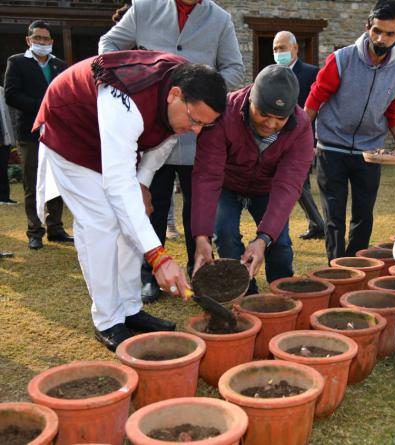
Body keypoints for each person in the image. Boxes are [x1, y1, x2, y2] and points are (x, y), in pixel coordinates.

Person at [33, 50, 227, 351]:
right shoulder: (127, 99)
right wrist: (158, 256)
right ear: (174, 95)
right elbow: (117, 184)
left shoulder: (182, 95)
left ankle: (129, 308)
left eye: (205, 125)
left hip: (116, 145)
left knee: (130, 218)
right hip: (71, 132)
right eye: (195, 120)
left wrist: (141, 184)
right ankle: (107, 319)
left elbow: (163, 143)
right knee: (102, 222)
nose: (196, 130)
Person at [99, 0, 244, 304]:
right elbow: (108, 44)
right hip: (151, 128)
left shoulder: (220, 19)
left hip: (198, 135)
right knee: (152, 203)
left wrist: (205, 90)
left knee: (198, 205)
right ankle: (150, 273)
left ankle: (198, 269)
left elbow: (235, 69)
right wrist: (134, 80)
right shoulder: (144, 8)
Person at [304, 0, 395, 262]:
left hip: (369, 154)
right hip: (331, 149)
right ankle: (335, 267)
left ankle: (355, 266)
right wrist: (301, 134)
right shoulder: (341, 59)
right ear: (368, 27)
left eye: (389, 34)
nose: (381, 38)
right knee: (334, 217)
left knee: (363, 215)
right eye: (376, 30)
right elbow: (316, 98)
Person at [192, 65, 314, 294]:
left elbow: (288, 185)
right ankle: (243, 292)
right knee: (225, 234)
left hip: (266, 188)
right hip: (227, 185)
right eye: (263, 113)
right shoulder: (225, 112)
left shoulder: (301, 127)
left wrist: (263, 239)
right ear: (251, 100)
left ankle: (283, 291)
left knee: (279, 243)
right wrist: (201, 237)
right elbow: (207, 176)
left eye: (280, 118)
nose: (270, 123)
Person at [4, 20, 71, 249]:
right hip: (30, 132)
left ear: (52, 41)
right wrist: (43, 107)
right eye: (37, 38)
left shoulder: (60, 65)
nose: (42, 42)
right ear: (28, 39)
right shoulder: (17, 62)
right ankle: (35, 231)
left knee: (57, 180)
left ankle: (56, 227)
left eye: (46, 39)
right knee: (32, 181)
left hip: (57, 133)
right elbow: (11, 95)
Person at [272, 30, 325, 241]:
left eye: (282, 48)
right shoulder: (272, 74)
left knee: (298, 185)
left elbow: (321, 111)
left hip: (304, 141)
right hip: (278, 139)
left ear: (295, 48)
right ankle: (317, 225)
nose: (278, 52)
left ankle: (319, 225)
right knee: (301, 186)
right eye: (275, 49)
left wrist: (315, 141)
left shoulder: (312, 74)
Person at [0, 84, 16, 205]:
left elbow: (10, 114)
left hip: (4, 137)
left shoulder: (2, 91)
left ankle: (4, 196)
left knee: (3, 168)